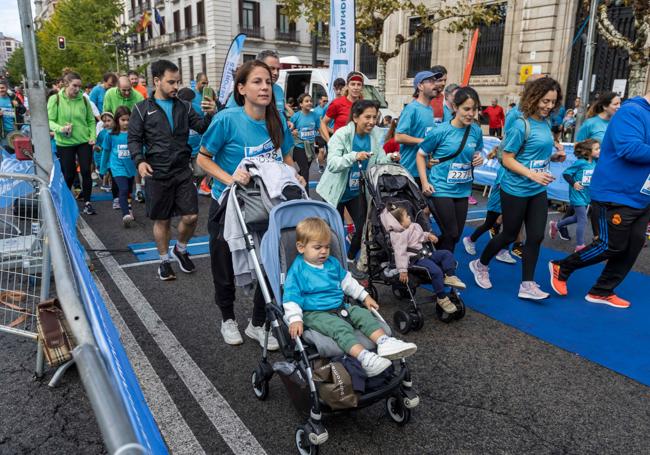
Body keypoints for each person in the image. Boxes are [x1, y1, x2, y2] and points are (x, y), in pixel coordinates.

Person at [197, 60, 299, 348]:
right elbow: (202, 158)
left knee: (268, 261)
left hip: (265, 204)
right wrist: (230, 178)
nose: (265, 87)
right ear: (241, 89)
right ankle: (227, 318)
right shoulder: (227, 120)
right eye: (257, 81)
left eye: (267, 81)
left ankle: (257, 323)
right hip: (227, 202)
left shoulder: (276, 121)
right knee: (224, 264)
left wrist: (295, 177)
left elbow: (287, 158)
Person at [549, 90, 650, 309]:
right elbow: (630, 149)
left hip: (641, 196)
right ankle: (562, 267)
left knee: (632, 246)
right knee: (610, 245)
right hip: (616, 194)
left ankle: (602, 291)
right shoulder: (632, 112)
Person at [469, 77, 566, 300]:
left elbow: (532, 156)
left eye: (552, 102)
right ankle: (481, 264)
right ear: (533, 98)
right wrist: (532, 174)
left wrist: (553, 157)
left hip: (537, 190)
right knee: (509, 234)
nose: (549, 106)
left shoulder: (546, 123)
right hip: (515, 189)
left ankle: (527, 284)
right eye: (545, 101)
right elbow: (506, 158)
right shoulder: (522, 125)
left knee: (535, 237)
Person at [283, 217, 418, 377]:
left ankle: (384, 342)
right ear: (301, 247)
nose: (324, 251)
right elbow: (291, 297)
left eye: (327, 247)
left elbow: (348, 282)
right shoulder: (297, 271)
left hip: (341, 307)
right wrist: (295, 319)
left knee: (363, 314)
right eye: (318, 247)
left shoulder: (332, 263)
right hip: (315, 313)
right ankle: (364, 358)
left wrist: (364, 296)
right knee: (341, 328)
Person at [128, 59, 216, 281]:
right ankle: (164, 260)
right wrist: (139, 161)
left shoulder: (185, 106)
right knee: (163, 219)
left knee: (191, 215)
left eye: (178, 82)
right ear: (156, 81)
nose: (176, 87)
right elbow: (134, 139)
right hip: (157, 172)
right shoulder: (141, 109)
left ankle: (181, 249)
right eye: (171, 82)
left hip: (182, 170)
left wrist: (211, 113)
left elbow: (203, 127)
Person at [316, 100, 396, 264]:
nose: (372, 122)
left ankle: (350, 259)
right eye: (367, 117)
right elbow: (332, 164)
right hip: (335, 191)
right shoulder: (342, 134)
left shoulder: (373, 136)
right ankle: (333, 264)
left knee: (362, 228)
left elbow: (378, 158)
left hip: (356, 191)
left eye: (375, 117)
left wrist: (391, 158)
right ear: (355, 117)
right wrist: (354, 156)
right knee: (332, 232)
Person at [416, 86, 485, 253]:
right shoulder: (441, 131)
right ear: (455, 108)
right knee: (451, 232)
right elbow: (420, 155)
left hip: (463, 190)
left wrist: (479, 158)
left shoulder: (476, 130)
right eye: (466, 109)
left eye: (474, 109)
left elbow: (477, 152)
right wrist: (425, 183)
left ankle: (436, 258)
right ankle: (443, 268)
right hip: (441, 188)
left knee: (455, 235)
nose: (471, 113)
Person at [381, 206, 465, 313]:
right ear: (400, 223)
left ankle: (450, 276)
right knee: (436, 271)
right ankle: (441, 297)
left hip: (426, 253)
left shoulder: (413, 226)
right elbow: (400, 253)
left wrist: (428, 236)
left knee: (446, 254)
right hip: (415, 259)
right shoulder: (398, 235)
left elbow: (420, 236)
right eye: (406, 216)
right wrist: (402, 270)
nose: (409, 216)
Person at [47, 71, 98, 215]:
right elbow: (49, 121)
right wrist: (60, 129)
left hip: (83, 141)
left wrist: (92, 136)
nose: (77, 89)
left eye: (79, 86)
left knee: (86, 171)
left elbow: (90, 120)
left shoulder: (83, 99)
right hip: (65, 142)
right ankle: (65, 201)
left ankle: (87, 202)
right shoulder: (55, 99)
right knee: (68, 174)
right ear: (65, 84)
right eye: (74, 86)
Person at [462, 148, 518, 265]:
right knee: (488, 224)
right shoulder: (505, 168)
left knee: (509, 226)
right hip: (498, 200)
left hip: (508, 199)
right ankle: (470, 240)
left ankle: (503, 251)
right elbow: (503, 186)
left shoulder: (514, 165)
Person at [549, 139, 599, 252]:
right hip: (577, 194)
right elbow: (566, 173)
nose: (599, 150)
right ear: (588, 151)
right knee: (583, 220)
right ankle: (580, 246)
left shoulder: (595, 162)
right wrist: (574, 183)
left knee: (576, 218)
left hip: (586, 194)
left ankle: (556, 225)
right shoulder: (581, 162)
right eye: (596, 149)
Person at [394, 71, 437, 179]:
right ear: (420, 86)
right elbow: (398, 136)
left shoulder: (430, 109)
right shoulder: (411, 108)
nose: (435, 85)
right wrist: (424, 141)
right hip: (410, 172)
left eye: (435, 82)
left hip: (425, 171)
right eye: (431, 82)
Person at [100, 106, 137, 227]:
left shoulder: (134, 134)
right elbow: (105, 151)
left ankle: (129, 208)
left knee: (130, 191)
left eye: (128, 119)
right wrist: (103, 168)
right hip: (117, 167)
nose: (126, 122)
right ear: (117, 120)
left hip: (130, 166)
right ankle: (125, 214)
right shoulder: (110, 135)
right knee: (123, 189)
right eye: (123, 120)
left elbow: (141, 148)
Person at [320, 71, 365, 141]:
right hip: (340, 146)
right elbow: (323, 122)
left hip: (359, 146)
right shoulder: (337, 103)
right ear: (347, 86)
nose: (356, 87)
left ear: (362, 87)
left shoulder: (365, 105)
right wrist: (329, 141)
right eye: (353, 84)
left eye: (359, 84)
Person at [290, 93, 320, 189]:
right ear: (301, 104)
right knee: (305, 170)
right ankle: (306, 196)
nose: (309, 103)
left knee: (303, 171)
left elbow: (319, 128)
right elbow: (288, 129)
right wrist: (292, 131)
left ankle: (293, 183)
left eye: (311, 101)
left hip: (310, 147)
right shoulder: (296, 116)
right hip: (299, 147)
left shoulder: (315, 115)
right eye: (306, 101)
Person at [0, 80, 18, 146]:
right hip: (2, 132)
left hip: (14, 131)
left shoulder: (12, 98)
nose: (1, 90)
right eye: (0, 88)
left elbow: (23, 111)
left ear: (6, 88)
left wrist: (18, 105)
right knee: (5, 153)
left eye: (2, 88)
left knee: (15, 152)